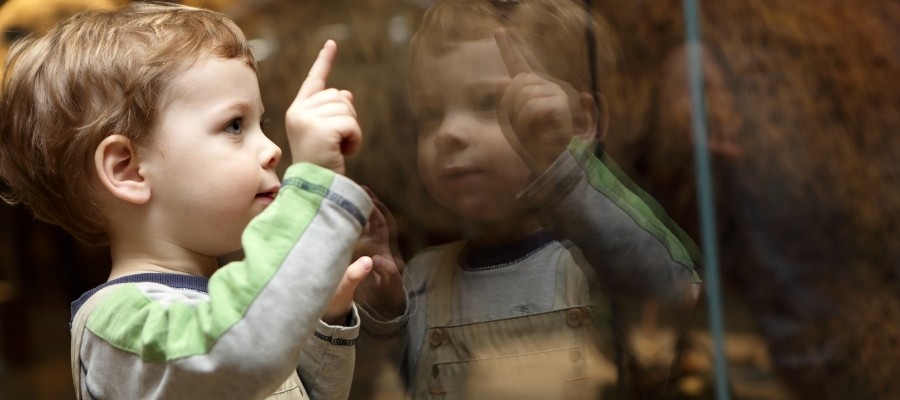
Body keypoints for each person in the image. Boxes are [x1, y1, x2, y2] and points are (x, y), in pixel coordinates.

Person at [0, 3, 375, 399]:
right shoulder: (121, 325)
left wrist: (320, 320)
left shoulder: (224, 304)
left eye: (260, 124)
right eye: (234, 125)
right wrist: (315, 188)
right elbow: (241, 356)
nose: (273, 150)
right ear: (128, 169)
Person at [351, 0, 703, 398]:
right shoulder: (422, 279)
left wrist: (560, 159)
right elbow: (375, 387)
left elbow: (673, 288)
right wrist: (383, 312)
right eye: (430, 114)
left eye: (488, 103)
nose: (448, 132)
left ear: (581, 121)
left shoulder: (596, 263)